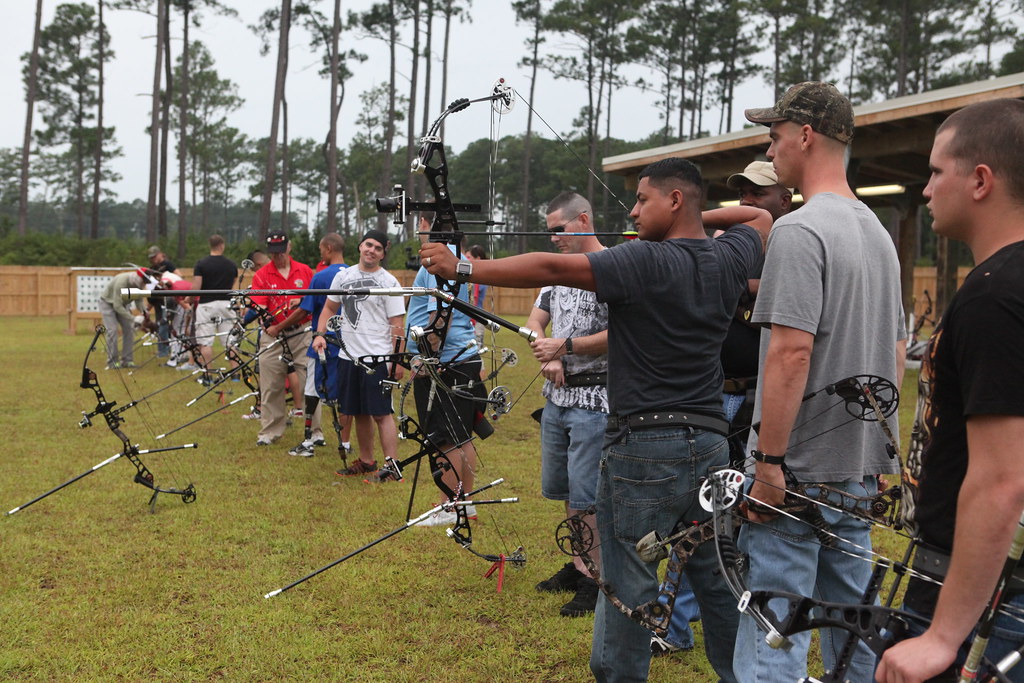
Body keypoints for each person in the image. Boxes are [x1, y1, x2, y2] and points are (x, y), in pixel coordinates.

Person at [422, 157, 771, 683]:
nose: (632, 212)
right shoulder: (726, 257)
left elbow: (551, 268)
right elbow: (759, 219)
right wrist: (695, 217)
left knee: (628, 579)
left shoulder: (645, 260)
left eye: (643, 200)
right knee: (715, 577)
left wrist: (462, 269)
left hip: (644, 445)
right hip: (710, 445)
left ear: (675, 200)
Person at [735, 81, 906, 682]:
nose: (770, 148)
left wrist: (769, 464)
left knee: (775, 629)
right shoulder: (879, 234)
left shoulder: (799, 229)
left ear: (805, 136)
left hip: (796, 474)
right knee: (853, 628)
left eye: (775, 135)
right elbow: (895, 351)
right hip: (856, 472)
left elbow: (790, 352)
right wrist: (879, 451)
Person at [875, 99, 1024, 683]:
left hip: (980, 597)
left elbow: (1002, 480)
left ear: (980, 180)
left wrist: (941, 637)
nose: (927, 189)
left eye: (937, 172)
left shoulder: (994, 296)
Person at [652, 160, 794, 657]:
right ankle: (673, 624)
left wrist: (740, 285)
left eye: (758, 193)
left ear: (784, 200)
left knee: (744, 516)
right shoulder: (728, 245)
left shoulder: (793, 247)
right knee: (702, 511)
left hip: (764, 399)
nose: (747, 201)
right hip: (715, 396)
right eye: (742, 192)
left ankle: (742, 623)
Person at [525, 192, 609, 619]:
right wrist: (547, 351)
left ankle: (596, 578)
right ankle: (579, 564)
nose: (554, 238)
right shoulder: (556, 272)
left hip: (596, 400)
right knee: (568, 491)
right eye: (549, 231)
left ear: (583, 220)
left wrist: (567, 347)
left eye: (559, 229)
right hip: (556, 399)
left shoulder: (612, 266)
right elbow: (534, 319)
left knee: (588, 495)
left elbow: (624, 334)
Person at [404, 213, 487, 524]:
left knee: (445, 438)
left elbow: (441, 315)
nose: (418, 229)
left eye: (419, 222)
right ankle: (464, 504)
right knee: (461, 435)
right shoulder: (453, 258)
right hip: (459, 359)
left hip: (446, 361)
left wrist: (427, 357)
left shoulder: (440, 259)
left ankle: (449, 508)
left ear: (426, 223)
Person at [312, 230, 405, 476]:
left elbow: (397, 324)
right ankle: (366, 461)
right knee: (358, 411)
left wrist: (397, 360)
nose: (371, 250)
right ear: (360, 246)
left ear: (383, 254)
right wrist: (319, 334)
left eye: (377, 248)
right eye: (368, 245)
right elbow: (329, 308)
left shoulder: (389, 283)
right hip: (348, 357)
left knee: (381, 413)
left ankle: (392, 466)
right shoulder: (343, 277)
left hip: (378, 359)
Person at [278, 233, 349, 458]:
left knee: (311, 390)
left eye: (321, 250)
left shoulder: (321, 277)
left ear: (328, 249)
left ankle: (309, 439)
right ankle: (346, 442)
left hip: (323, 343)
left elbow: (306, 309)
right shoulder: (354, 274)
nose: (320, 254)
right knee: (345, 393)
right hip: (349, 345)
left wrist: (278, 326)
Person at [249, 232, 315, 447]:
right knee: (270, 383)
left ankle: (315, 431)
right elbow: (258, 303)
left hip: (302, 330)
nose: (277, 255)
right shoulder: (262, 275)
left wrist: (302, 300)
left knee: (309, 381)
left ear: (289, 247)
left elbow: (314, 299)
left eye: (281, 250)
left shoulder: (304, 271)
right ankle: (270, 431)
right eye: (273, 252)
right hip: (273, 334)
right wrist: (265, 316)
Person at [191, 235, 238, 380]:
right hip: (226, 304)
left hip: (207, 305)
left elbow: (196, 287)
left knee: (205, 341)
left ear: (210, 245)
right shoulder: (231, 265)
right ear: (222, 246)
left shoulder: (201, 264)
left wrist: (189, 299)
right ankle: (235, 373)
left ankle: (208, 374)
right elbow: (234, 285)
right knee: (230, 340)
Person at [98, 270, 144, 369]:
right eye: (142, 283)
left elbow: (139, 300)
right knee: (112, 330)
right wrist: (133, 318)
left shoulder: (140, 284)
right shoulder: (121, 283)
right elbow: (117, 306)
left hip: (122, 305)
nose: (143, 285)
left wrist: (144, 313)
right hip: (108, 304)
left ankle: (127, 360)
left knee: (129, 329)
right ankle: (112, 362)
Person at [146, 245, 181, 360]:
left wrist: (166, 283)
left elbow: (178, 276)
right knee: (160, 325)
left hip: (167, 300)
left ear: (160, 254)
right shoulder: (152, 268)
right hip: (157, 300)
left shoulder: (168, 265)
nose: (153, 259)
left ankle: (164, 350)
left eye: (154, 257)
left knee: (164, 325)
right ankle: (164, 349)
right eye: (151, 258)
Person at [465, 244, 489, 348]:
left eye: (468, 257)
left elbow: (474, 297)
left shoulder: (481, 278)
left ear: (478, 259)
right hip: (467, 318)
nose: (465, 259)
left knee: (476, 347)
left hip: (477, 318)